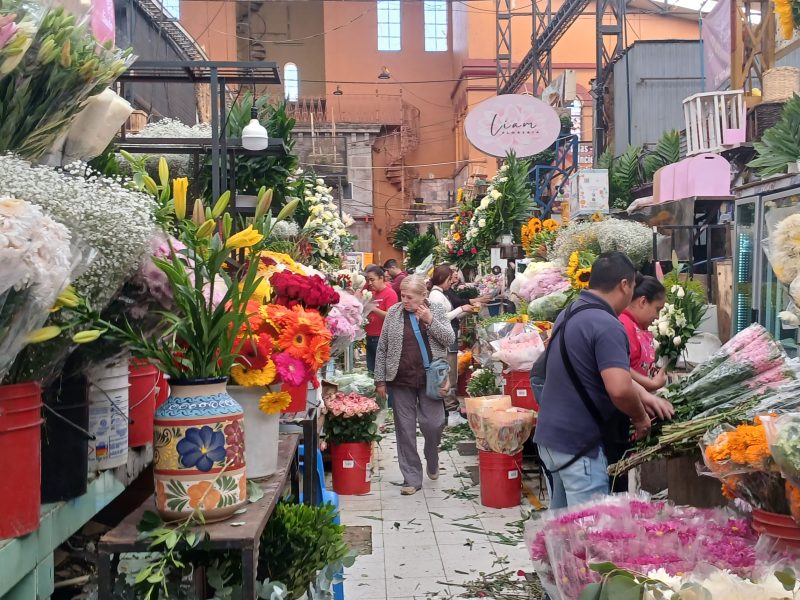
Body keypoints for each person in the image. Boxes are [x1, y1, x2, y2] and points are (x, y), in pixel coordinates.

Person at [533, 252, 673, 509]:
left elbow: (601, 370)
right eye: (632, 285)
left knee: (563, 531)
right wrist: (641, 416)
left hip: (552, 439)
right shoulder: (607, 324)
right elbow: (619, 388)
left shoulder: (571, 311)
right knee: (591, 534)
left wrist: (645, 394)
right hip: (579, 445)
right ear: (624, 285)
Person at [374, 276, 455, 495]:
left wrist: (430, 320)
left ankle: (432, 455)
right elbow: (382, 348)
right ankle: (411, 478)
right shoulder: (394, 312)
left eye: (410, 297)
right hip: (401, 378)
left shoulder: (436, 310)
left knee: (434, 423)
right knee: (405, 429)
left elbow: (449, 339)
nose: (405, 300)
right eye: (402, 295)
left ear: (423, 296)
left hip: (431, 378)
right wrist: (380, 379)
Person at [427, 264, 479, 426]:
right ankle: (451, 412)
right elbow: (441, 318)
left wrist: (466, 310)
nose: (452, 282)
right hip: (444, 341)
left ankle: (450, 411)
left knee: (451, 376)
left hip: (449, 339)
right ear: (442, 279)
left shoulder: (441, 294)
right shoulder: (436, 296)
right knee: (449, 377)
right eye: (450, 279)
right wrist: (461, 309)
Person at [620, 274, 667, 392]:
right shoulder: (624, 325)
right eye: (657, 309)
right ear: (643, 301)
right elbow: (621, 368)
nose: (657, 317)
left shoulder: (634, 325)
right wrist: (651, 383)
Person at [364, 265, 398, 375]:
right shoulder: (372, 294)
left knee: (381, 373)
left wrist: (373, 308)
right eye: (367, 280)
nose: (369, 283)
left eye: (372, 280)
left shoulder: (390, 294)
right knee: (371, 371)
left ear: (381, 278)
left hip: (381, 338)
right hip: (370, 336)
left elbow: (390, 316)